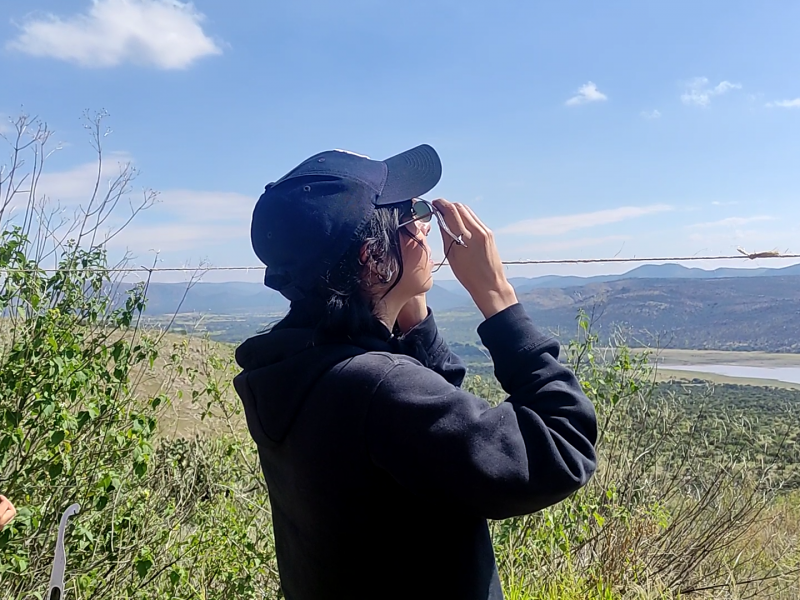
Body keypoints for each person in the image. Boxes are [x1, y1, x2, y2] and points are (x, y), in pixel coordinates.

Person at [233, 145, 598, 600]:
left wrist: (411, 322)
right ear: (372, 256)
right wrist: (497, 296)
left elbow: (431, 446)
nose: (427, 226)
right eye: (413, 214)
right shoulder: (379, 390)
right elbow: (564, 446)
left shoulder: (288, 370)